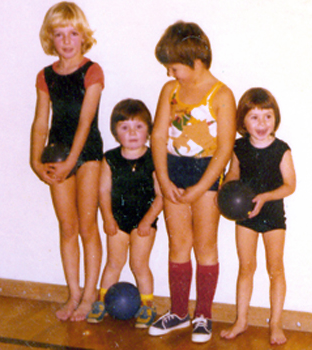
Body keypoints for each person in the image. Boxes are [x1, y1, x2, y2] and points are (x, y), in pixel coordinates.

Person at [148, 21, 236, 343]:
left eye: (173, 67)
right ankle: (180, 311)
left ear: (193, 59)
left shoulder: (222, 94)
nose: (170, 74)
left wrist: (202, 188)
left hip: (206, 176)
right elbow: (158, 136)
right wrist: (163, 175)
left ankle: (204, 314)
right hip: (173, 171)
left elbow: (225, 148)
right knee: (178, 244)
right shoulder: (169, 91)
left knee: (205, 245)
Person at [30, 2, 104, 322]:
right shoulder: (45, 76)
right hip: (57, 154)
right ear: (51, 38)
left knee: (88, 226)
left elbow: (86, 122)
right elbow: (40, 123)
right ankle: (73, 293)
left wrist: (73, 161)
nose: (67, 41)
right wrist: (36, 162)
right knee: (67, 227)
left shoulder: (92, 71)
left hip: (86, 155)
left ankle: (90, 294)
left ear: (82, 36)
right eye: (59, 35)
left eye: (73, 33)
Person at [220, 88, 296, 345]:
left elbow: (290, 186)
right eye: (254, 117)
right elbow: (233, 174)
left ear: (276, 118)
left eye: (267, 116)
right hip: (246, 216)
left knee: (275, 269)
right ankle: (241, 320)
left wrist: (265, 197)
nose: (262, 123)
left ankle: (275, 323)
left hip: (273, 215)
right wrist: (226, 189)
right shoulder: (239, 147)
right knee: (246, 268)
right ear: (243, 121)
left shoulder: (281, 149)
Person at [86, 99, 163, 328]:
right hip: (117, 222)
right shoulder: (110, 159)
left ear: (148, 130)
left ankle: (148, 306)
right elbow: (103, 190)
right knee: (113, 264)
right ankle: (101, 301)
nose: (132, 133)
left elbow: (161, 196)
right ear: (115, 132)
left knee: (139, 265)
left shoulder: (153, 158)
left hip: (144, 223)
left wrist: (147, 221)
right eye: (125, 127)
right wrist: (108, 219)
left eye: (138, 127)